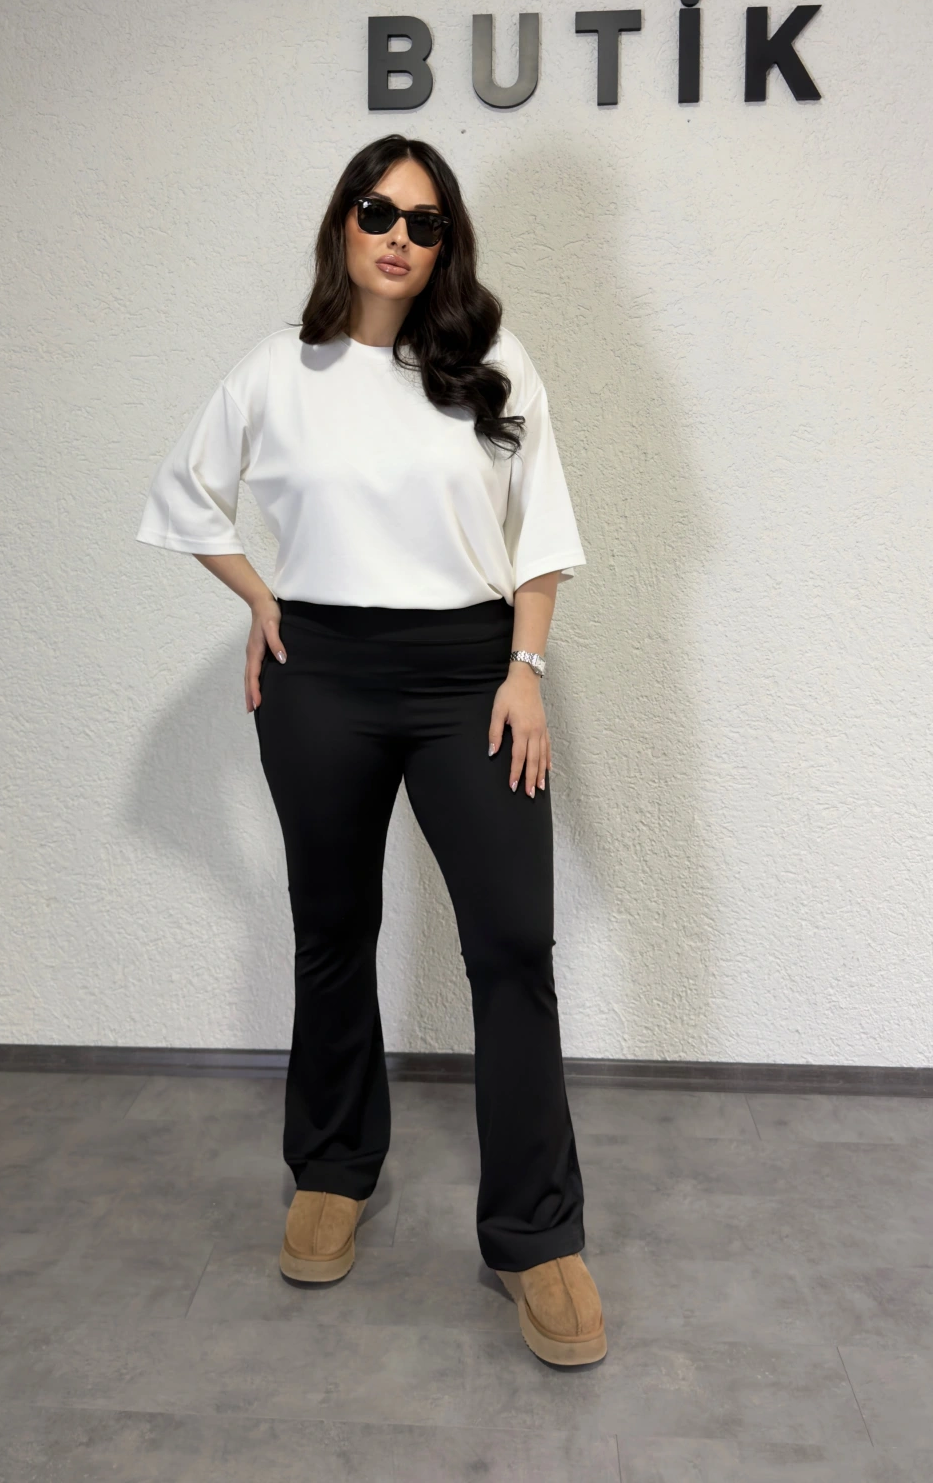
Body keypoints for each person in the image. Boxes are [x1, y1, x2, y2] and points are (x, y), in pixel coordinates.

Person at [136, 134, 607, 1368]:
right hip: (323, 676)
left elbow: (542, 532)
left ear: (446, 244)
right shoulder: (275, 369)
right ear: (341, 221)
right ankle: (333, 1164)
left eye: (424, 220)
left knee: (512, 941)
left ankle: (535, 1232)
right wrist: (261, 599)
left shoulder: (490, 363)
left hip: (470, 675)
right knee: (332, 925)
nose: (398, 235)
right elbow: (188, 495)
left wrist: (525, 668)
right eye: (376, 210)